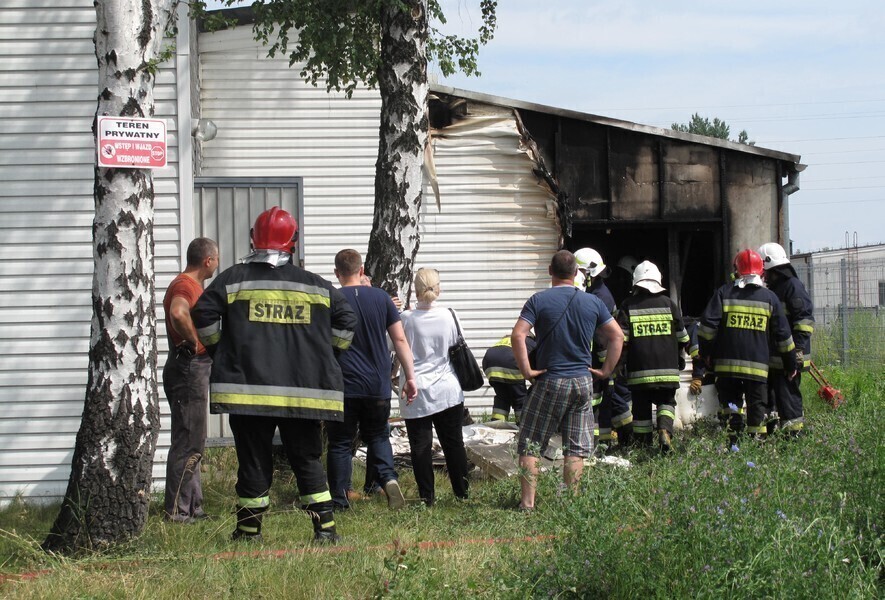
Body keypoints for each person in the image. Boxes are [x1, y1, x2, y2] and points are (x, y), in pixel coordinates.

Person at [192, 207, 357, 543]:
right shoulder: (316, 285)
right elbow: (346, 322)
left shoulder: (233, 279)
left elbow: (203, 315)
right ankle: (325, 532)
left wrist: (219, 351)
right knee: (308, 460)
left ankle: (249, 533)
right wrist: (329, 355)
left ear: (254, 239)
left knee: (253, 462)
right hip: (304, 393)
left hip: (248, 393)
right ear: (292, 244)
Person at [511, 250, 624, 510]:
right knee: (575, 447)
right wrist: (606, 371)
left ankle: (527, 504)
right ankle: (569, 504)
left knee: (530, 443)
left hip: (551, 380)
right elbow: (617, 337)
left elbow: (518, 336)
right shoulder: (593, 303)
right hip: (582, 381)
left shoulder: (538, 301)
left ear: (550, 271)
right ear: (576, 274)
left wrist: (527, 371)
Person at [327, 249, 418, 511]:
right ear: (362, 270)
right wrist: (410, 377)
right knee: (379, 435)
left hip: (343, 383)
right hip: (377, 382)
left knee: (341, 442)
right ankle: (388, 478)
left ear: (337, 273)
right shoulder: (381, 298)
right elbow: (400, 339)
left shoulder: (332, 298)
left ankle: (339, 498)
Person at [698, 250, 797, 443]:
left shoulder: (724, 293)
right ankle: (756, 444)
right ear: (762, 271)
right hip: (758, 367)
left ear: (737, 270)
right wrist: (791, 363)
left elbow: (707, 328)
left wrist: (706, 354)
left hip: (726, 366)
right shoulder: (770, 298)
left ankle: (733, 442)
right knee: (757, 405)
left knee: (730, 404)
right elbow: (783, 336)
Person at [399, 268, 470, 506]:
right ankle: (462, 493)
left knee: (420, 447)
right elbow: (455, 342)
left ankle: (427, 498)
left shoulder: (406, 319)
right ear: (438, 288)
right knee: (454, 443)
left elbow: (393, 346)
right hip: (448, 388)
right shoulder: (451, 315)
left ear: (415, 290)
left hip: (416, 390)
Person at [162, 237, 218, 523]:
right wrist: (195, 342)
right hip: (188, 368)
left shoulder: (191, 285)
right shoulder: (185, 285)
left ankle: (193, 507)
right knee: (186, 442)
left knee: (194, 440)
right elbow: (178, 312)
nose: (217, 264)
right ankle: (177, 512)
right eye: (216, 259)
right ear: (208, 260)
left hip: (189, 369)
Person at [616, 260, 690, 453]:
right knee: (666, 402)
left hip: (640, 372)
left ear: (636, 284)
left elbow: (621, 341)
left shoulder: (628, 306)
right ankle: (664, 430)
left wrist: (618, 365)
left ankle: (643, 447)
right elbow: (683, 337)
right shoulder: (670, 305)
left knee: (641, 408)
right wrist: (680, 357)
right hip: (668, 370)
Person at [574, 247, 634, 450]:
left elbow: (602, 335)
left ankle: (609, 441)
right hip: (602, 359)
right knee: (606, 401)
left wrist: (603, 363)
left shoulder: (598, 296)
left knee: (601, 402)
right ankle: (616, 439)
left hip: (600, 361)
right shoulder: (596, 292)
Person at [757, 242, 815, 435]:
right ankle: (774, 434)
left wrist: (797, 350)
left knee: (788, 399)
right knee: (772, 400)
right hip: (775, 358)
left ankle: (794, 437)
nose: (763, 277)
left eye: (764, 272)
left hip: (790, 356)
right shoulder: (776, 289)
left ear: (771, 268)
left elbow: (804, 321)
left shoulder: (792, 287)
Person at [481, 333, 536, 423]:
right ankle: (523, 423)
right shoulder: (533, 343)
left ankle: (497, 422)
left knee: (502, 396)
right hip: (511, 361)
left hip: (489, 363)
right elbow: (534, 366)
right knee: (520, 396)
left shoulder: (508, 339)